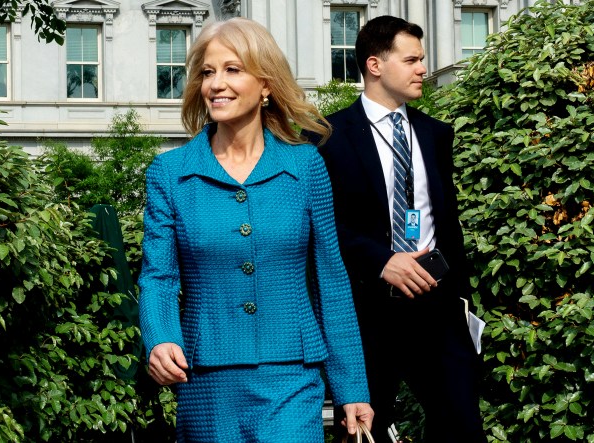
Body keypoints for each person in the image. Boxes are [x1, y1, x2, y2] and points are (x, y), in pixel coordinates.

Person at [138, 17, 373, 442]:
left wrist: (351, 386)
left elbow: (331, 280)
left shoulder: (305, 166)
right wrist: (160, 337)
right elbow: (159, 276)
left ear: (266, 84)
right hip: (207, 381)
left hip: (292, 376)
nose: (216, 84)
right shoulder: (169, 173)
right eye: (207, 72)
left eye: (232, 69)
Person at [309, 15, 486, 443]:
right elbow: (321, 226)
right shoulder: (326, 137)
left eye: (421, 60)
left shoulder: (435, 133)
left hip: (437, 307)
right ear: (375, 65)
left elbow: (447, 223)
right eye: (411, 60)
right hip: (367, 311)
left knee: (463, 427)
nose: (422, 69)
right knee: (363, 433)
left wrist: (462, 302)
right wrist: (382, 261)